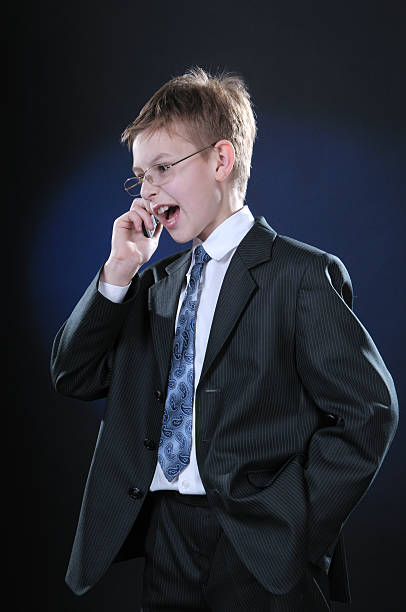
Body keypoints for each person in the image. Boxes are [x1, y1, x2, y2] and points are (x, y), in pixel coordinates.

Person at [51, 67, 398, 611]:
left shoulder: (298, 274)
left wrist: (297, 518)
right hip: (166, 536)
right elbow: (73, 375)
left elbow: (368, 410)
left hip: (258, 541)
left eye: (163, 168)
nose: (148, 190)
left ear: (220, 160)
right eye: (140, 175)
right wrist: (119, 272)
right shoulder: (154, 286)